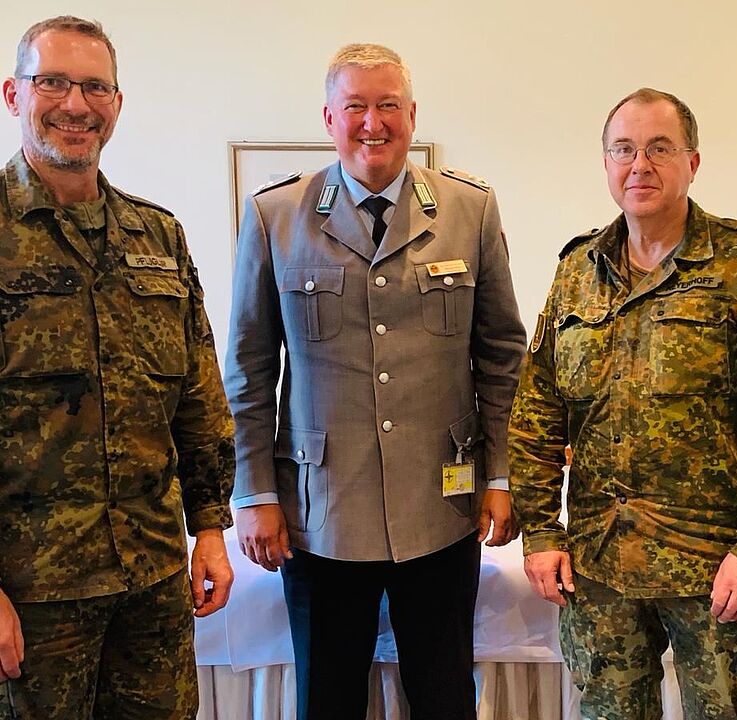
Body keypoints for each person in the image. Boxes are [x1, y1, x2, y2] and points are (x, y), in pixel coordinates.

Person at [0, 15, 236, 719]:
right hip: (25, 596)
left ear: (116, 103)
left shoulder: (157, 235)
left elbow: (199, 395)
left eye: (95, 87)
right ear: (15, 94)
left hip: (151, 582)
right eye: (53, 81)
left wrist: (209, 526)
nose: (75, 104)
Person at [224, 43, 526, 720]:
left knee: (445, 697)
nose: (372, 122)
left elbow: (503, 352)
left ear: (412, 115)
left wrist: (501, 476)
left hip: (441, 505)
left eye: (388, 105)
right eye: (355, 106)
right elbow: (248, 369)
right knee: (328, 700)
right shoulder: (277, 216)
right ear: (329, 117)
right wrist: (254, 492)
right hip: (321, 510)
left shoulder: (467, 209)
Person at [508, 87, 737, 719]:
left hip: (716, 568)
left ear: (692, 162)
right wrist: (542, 531)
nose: (639, 165)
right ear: (605, 163)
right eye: (623, 149)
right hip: (599, 565)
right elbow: (536, 411)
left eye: (659, 148)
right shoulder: (576, 272)